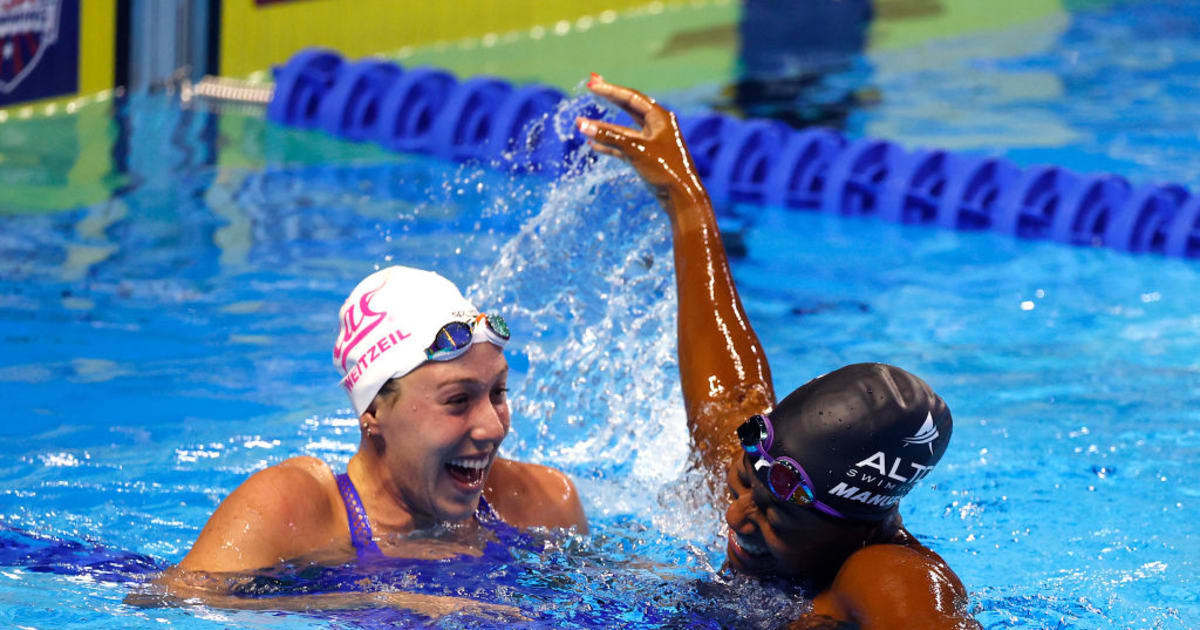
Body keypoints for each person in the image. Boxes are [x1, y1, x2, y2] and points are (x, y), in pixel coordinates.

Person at [577, 74, 979, 629]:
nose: (738, 516)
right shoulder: (772, 478)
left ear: (861, 529)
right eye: (746, 482)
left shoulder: (885, 573)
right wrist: (683, 194)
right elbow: (730, 394)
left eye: (778, 521)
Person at [141, 265, 586, 615]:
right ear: (372, 411)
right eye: (457, 400)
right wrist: (372, 599)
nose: (493, 427)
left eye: (498, 393)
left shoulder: (539, 503)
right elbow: (163, 602)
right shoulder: (295, 510)